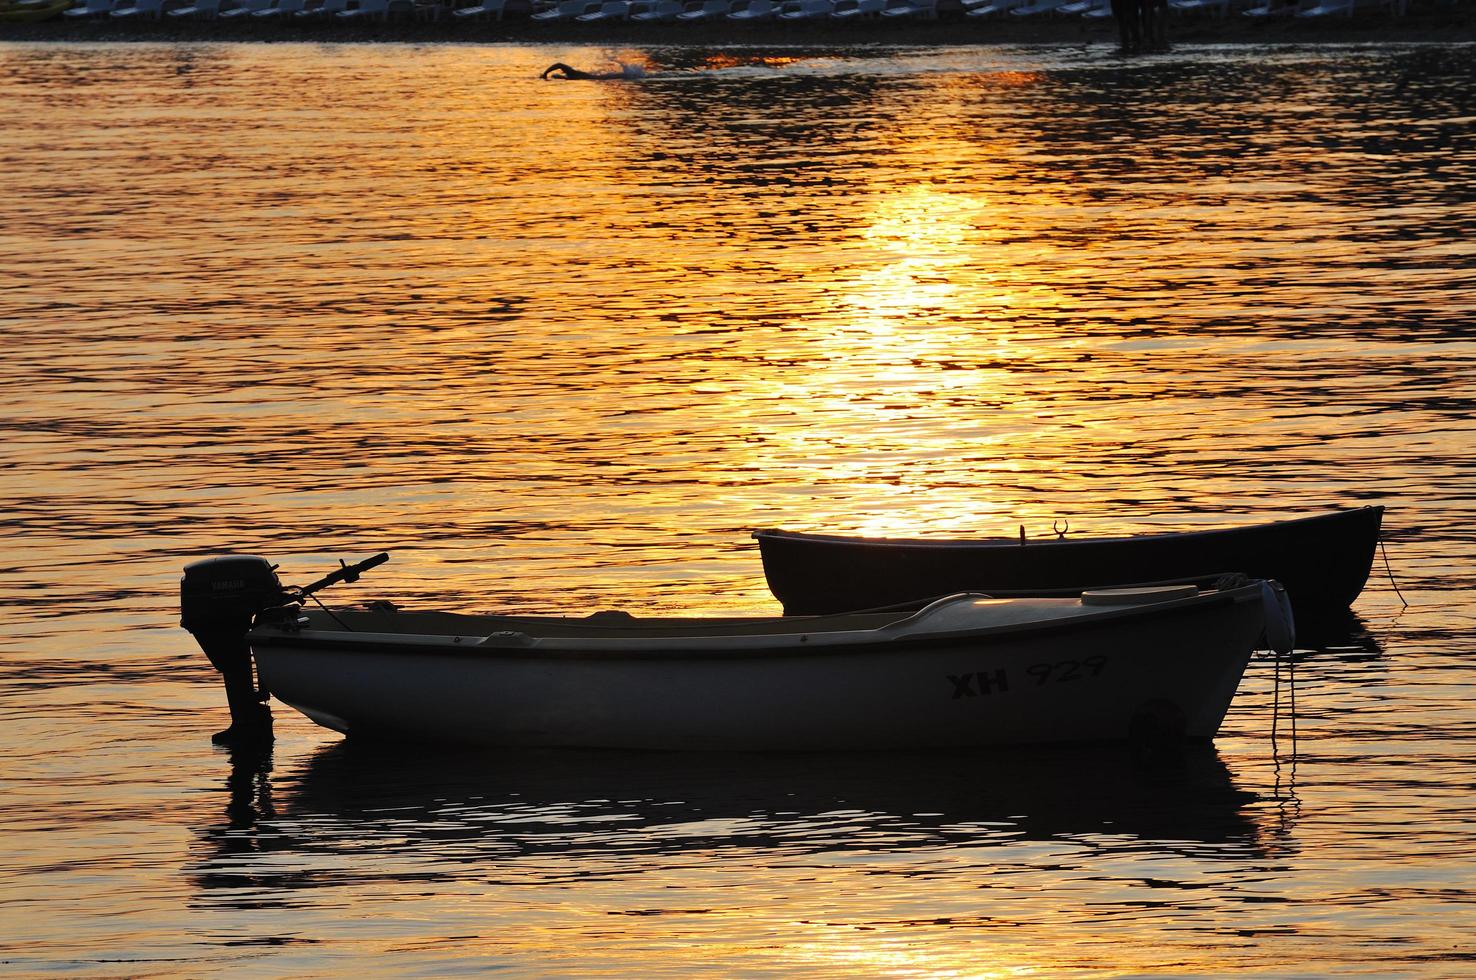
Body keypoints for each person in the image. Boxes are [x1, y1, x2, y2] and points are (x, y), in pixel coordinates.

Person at [541, 62, 646, 80]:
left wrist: (546, 73)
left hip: (598, 78)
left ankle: (634, 74)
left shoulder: (572, 73)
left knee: (623, 76)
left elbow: (559, 64)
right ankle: (634, 74)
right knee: (622, 75)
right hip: (596, 78)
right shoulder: (571, 76)